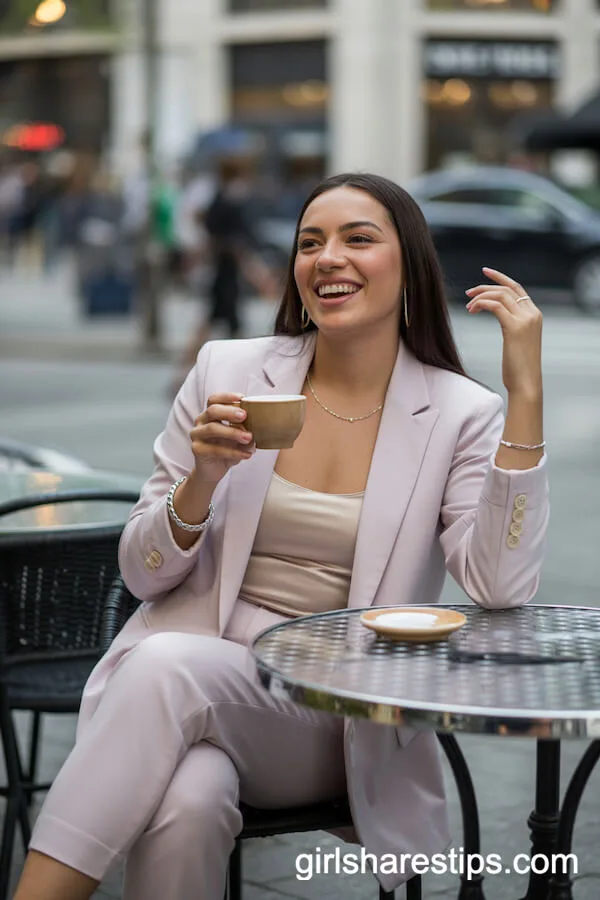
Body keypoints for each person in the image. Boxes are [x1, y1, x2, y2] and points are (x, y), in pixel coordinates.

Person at [14, 172, 549, 900]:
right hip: (186, 682)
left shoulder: (462, 413)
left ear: (410, 265)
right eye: (310, 243)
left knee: (166, 664)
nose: (327, 257)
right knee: (188, 801)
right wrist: (199, 481)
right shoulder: (228, 372)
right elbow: (142, 575)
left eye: (358, 239)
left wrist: (525, 401)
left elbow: (500, 584)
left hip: (332, 712)